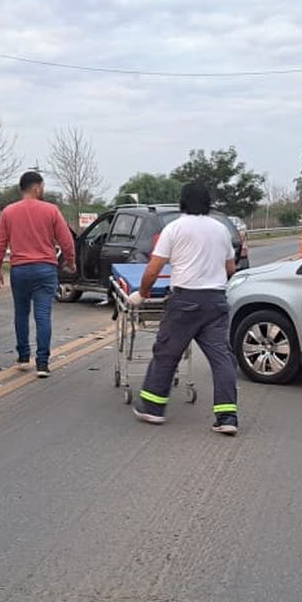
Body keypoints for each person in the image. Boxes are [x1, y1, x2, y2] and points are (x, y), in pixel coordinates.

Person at [128, 182, 241, 436]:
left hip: (185, 301)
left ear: (183, 202)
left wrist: (143, 293)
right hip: (215, 301)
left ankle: (152, 406)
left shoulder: (175, 228)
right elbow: (231, 269)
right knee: (222, 358)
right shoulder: (221, 230)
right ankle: (227, 416)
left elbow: (154, 269)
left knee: (167, 352)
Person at [0, 171, 76, 377]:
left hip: (20, 270)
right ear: (37, 187)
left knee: (21, 313)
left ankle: (23, 357)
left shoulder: (8, 213)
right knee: (42, 315)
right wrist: (70, 262)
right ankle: (42, 363)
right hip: (45, 269)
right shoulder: (51, 210)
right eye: (43, 187)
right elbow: (66, 241)